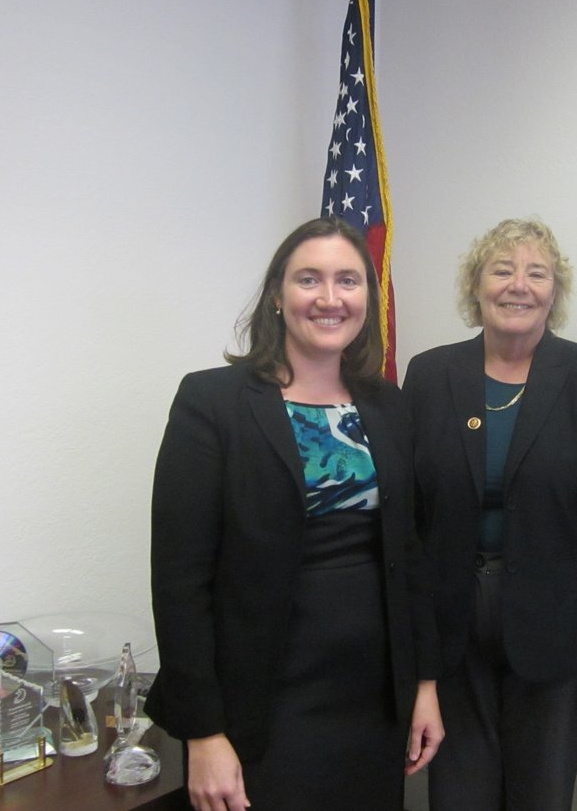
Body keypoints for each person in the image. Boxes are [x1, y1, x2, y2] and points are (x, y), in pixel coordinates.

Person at [147, 217, 443, 811]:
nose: (330, 298)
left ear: (367, 298)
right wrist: (203, 734)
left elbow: (409, 554)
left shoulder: (388, 405)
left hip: (375, 695)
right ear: (278, 295)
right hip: (263, 705)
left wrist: (425, 685)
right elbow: (180, 582)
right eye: (310, 279)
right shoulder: (213, 402)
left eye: (348, 281)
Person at [402, 218, 577, 810]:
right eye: (502, 270)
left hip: (559, 633)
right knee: (457, 799)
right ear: (477, 286)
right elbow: (407, 520)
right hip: (451, 634)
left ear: (554, 292)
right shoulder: (430, 374)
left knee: (541, 796)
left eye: (536, 273)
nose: (519, 285)